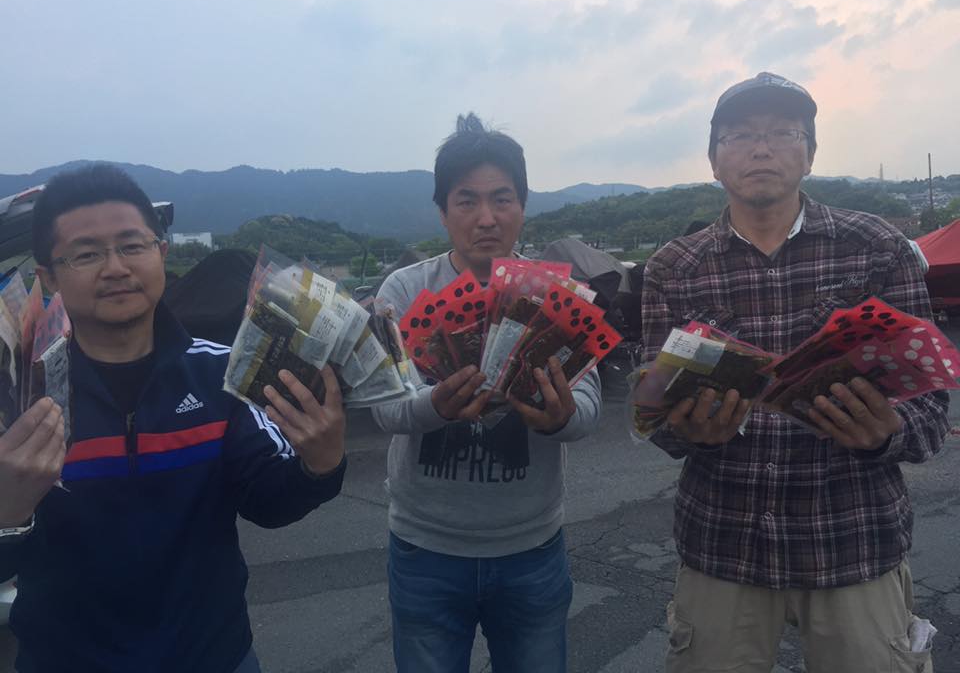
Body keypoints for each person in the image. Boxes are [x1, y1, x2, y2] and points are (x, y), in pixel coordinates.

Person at [641, 72, 948, 673]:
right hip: (723, 541)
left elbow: (931, 407)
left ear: (810, 153)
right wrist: (685, 431)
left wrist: (887, 431)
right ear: (714, 159)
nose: (762, 148)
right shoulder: (673, 269)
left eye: (784, 132)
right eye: (740, 135)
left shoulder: (878, 248)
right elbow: (655, 410)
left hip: (853, 538)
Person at [0, 164, 347, 673]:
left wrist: (321, 464)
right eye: (86, 254)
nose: (115, 267)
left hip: (215, 658)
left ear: (161, 253)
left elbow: (269, 503)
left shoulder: (220, 373)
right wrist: (7, 513)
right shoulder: (16, 397)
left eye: (132, 245)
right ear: (48, 276)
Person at [372, 113, 602, 673]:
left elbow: (589, 405)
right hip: (426, 548)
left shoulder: (556, 292)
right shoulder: (405, 289)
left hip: (531, 547)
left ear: (522, 206)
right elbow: (383, 407)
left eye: (502, 199)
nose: (486, 218)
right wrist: (435, 406)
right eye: (467, 201)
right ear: (442, 211)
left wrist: (557, 416)